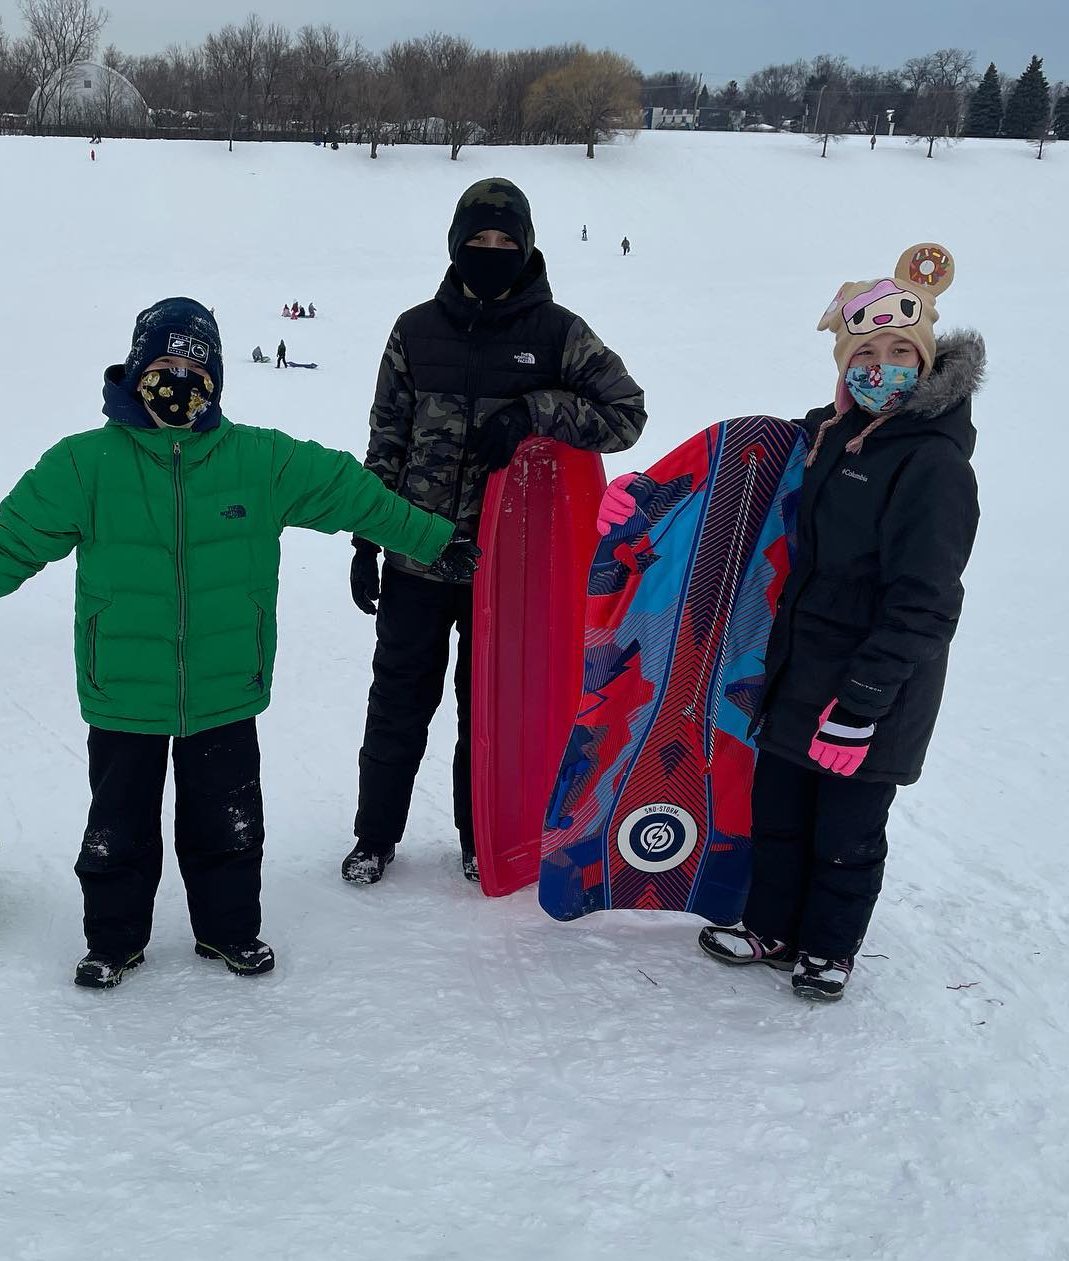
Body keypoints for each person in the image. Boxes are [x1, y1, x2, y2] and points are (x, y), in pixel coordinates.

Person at [0, 298, 477, 992]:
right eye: (165, 365)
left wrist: (433, 541)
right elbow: (14, 541)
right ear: (136, 368)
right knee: (117, 830)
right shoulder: (84, 465)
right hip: (125, 684)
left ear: (215, 380)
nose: (179, 380)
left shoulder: (260, 460)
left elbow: (354, 493)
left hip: (224, 681)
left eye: (194, 367)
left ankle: (229, 930)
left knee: (229, 821)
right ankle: (113, 942)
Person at [688, 243, 981, 1001]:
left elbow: (926, 602)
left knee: (846, 831)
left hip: (871, 689)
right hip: (800, 668)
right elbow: (740, 471)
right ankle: (772, 927)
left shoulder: (934, 466)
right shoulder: (830, 435)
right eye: (865, 352)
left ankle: (829, 948)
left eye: (897, 353)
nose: (879, 366)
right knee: (781, 812)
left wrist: (864, 701)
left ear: (923, 365)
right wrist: (648, 503)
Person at [345, 177, 646, 887]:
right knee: (397, 703)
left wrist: (537, 411)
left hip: (508, 570)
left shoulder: (557, 333)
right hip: (418, 554)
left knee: (491, 713)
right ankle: (374, 836)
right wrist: (366, 536)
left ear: (526, 248)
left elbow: (626, 414)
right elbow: (386, 438)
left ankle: (485, 835)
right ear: (455, 246)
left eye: (504, 243)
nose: (490, 253)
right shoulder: (414, 330)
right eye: (477, 242)